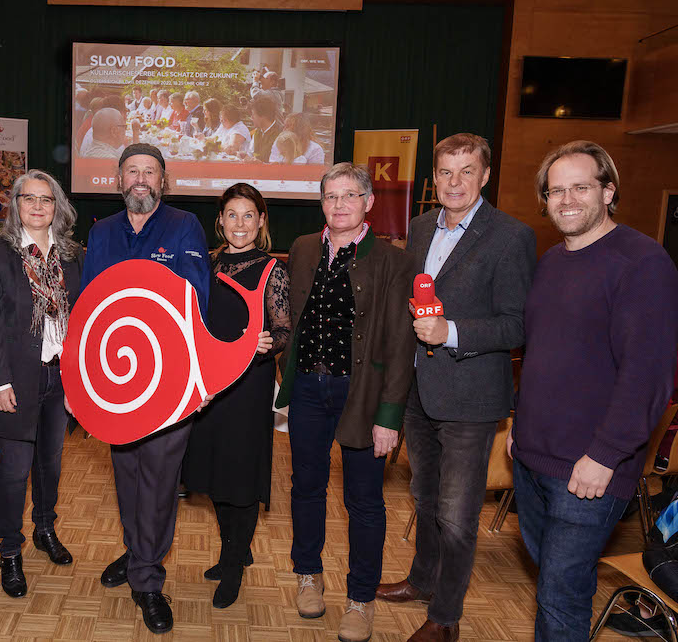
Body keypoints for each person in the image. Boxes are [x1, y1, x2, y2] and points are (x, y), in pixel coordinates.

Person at [510, 140, 678, 641]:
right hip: (533, 460)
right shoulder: (551, 262)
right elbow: (541, 357)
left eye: (580, 187)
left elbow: (648, 376)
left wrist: (605, 454)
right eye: (555, 190)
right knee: (557, 586)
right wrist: (520, 426)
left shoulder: (642, 264)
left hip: (588, 470)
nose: (566, 200)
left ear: (608, 191)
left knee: (560, 596)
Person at [376, 133, 536, 642]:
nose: (455, 182)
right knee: (424, 498)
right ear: (434, 177)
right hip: (422, 390)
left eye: (467, 171)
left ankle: (446, 617)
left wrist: (454, 332)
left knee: (458, 516)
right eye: (445, 172)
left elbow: (517, 325)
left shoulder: (510, 237)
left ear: (485, 176)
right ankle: (423, 581)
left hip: (471, 397)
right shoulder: (421, 226)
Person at [273, 163, 417, 641]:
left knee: (364, 502)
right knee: (306, 487)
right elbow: (291, 320)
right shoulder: (303, 249)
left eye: (349, 196)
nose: (339, 205)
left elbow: (400, 344)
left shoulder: (394, 261)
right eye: (330, 196)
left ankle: (360, 599)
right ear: (321, 203)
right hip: (310, 390)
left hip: (363, 396)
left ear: (369, 202)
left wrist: (389, 416)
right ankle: (308, 576)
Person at [84, 143, 211, 634]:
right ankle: (139, 552)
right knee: (128, 474)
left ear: (164, 181)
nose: (141, 179)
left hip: (170, 378)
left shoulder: (185, 228)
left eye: (150, 172)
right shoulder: (101, 233)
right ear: (118, 181)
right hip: (118, 379)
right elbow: (92, 305)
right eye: (132, 171)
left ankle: (148, 580)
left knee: (159, 479)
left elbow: (195, 301)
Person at [0, 170, 84, 599]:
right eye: (28, 198)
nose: (38, 206)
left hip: (59, 376)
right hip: (15, 378)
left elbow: (82, 320)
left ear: (58, 207)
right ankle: (10, 551)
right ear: (15, 204)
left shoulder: (72, 254)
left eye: (46, 199)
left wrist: (78, 382)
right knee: (14, 472)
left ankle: (44, 529)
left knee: (50, 465)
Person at [183, 183, 290, 608]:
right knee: (212, 472)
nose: (240, 223)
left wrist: (270, 342)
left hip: (248, 386)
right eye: (232, 215)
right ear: (220, 220)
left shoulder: (272, 270)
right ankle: (236, 548)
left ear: (261, 221)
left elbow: (283, 329)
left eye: (249, 215)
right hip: (209, 386)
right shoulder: (205, 264)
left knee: (241, 475)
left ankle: (231, 566)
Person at [248, 95, 282, 163]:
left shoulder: (281, 135)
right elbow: (250, 153)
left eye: (253, 114)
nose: (251, 117)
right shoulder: (257, 132)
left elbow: (279, 164)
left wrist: (261, 164)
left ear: (263, 116)